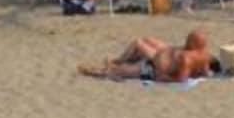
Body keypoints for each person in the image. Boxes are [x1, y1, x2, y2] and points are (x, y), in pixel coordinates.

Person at [77, 29, 214, 82]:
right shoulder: (204, 54)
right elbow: (205, 71)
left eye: (189, 40)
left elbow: (180, 79)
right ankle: (117, 63)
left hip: (153, 69)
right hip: (159, 59)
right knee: (141, 45)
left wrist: (162, 77)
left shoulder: (187, 59)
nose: (186, 42)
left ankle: (97, 71)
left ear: (195, 44)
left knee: (120, 70)